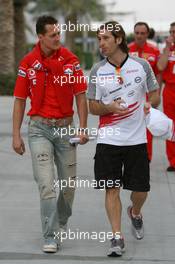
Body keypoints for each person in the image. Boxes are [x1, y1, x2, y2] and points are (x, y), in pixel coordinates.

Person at [12, 15, 88, 253]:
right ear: (41, 36)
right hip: (39, 130)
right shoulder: (28, 62)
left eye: (59, 33)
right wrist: (16, 134)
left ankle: (61, 221)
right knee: (46, 185)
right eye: (53, 34)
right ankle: (50, 235)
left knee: (68, 186)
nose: (58, 38)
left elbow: (81, 95)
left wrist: (83, 127)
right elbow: (19, 100)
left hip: (66, 129)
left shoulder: (70, 61)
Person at [87, 21, 160, 257]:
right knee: (111, 189)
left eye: (105, 38)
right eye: (99, 39)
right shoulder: (98, 70)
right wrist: (108, 107)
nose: (101, 44)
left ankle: (135, 212)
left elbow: (155, 94)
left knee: (140, 191)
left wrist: (151, 104)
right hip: (108, 139)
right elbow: (92, 107)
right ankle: (117, 237)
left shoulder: (141, 66)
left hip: (137, 139)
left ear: (118, 40)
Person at [128, 22, 161, 162]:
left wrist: (156, 93)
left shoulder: (154, 50)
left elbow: (159, 73)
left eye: (142, 33)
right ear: (134, 33)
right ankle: (130, 155)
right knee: (130, 124)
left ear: (147, 34)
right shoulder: (126, 50)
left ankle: (146, 157)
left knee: (148, 126)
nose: (139, 36)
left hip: (148, 93)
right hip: (131, 94)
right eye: (137, 33)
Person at [157, 22, 175, 171]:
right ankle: (173, 161)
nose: (172, 34)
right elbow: (161, 67)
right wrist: (167, 48)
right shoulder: (167, 50)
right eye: (171, 32)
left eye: (174, 32)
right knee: (171, 126)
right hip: (170, 90)